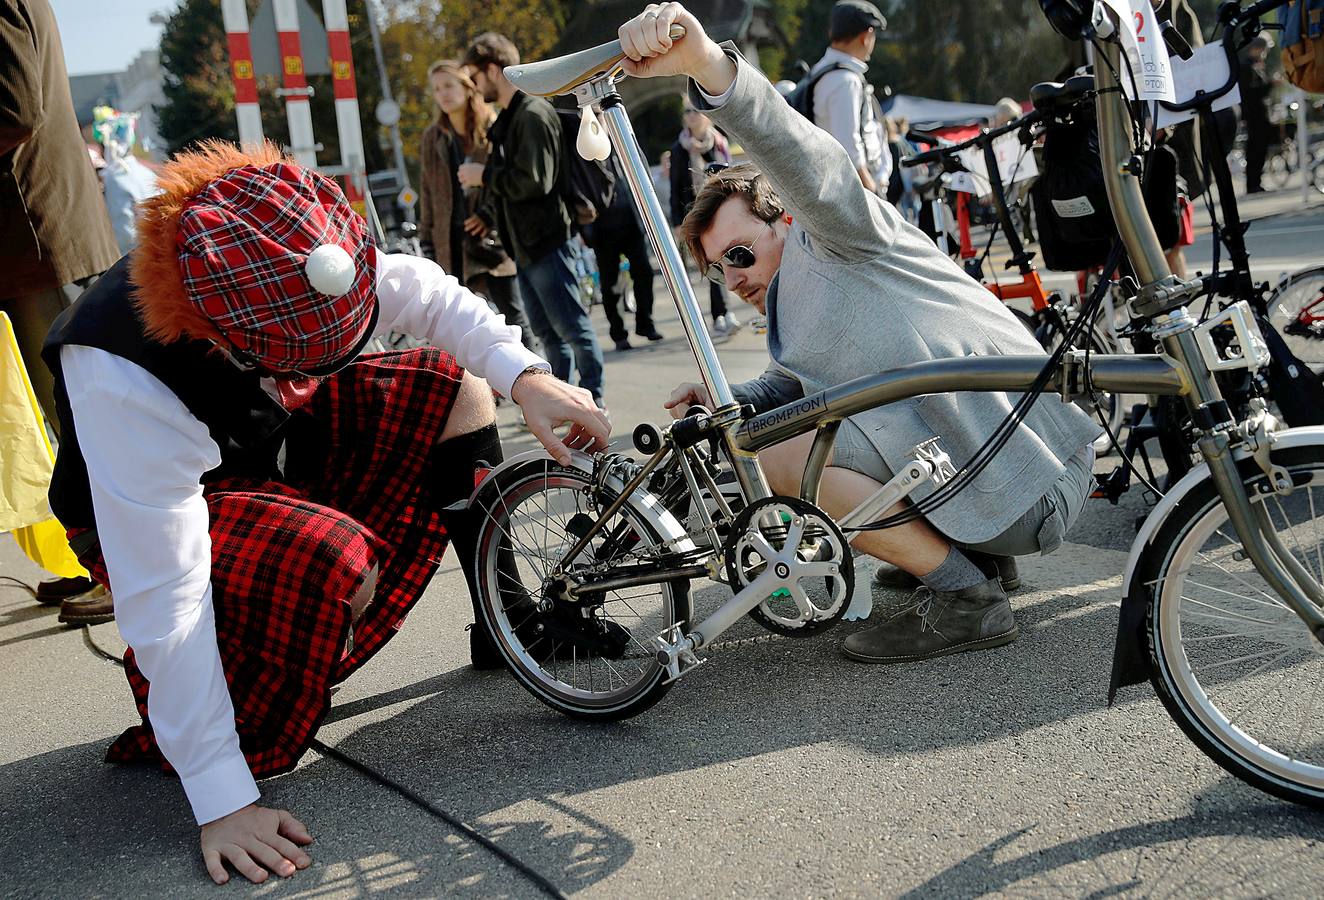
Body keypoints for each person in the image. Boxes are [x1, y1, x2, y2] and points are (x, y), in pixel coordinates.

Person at [41, 141, 610, 885]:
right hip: (160, 508)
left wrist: (526, 376)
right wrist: (220, 795)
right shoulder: (121, 370)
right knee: (332, 557)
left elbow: (432, 298)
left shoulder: (299, 231)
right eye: (299, 366)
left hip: (260, 446)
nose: (311, 379)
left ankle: (505, 624)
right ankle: (243, 711)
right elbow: (165, 600)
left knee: (456, 384)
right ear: (225, 339)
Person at [619, 3, 1100, 665]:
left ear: (785, 217)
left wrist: (709, 68)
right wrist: (719, 388)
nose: (732, 278)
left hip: (1033, 479)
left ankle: (966, 598)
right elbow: (797, 382)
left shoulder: (837, 236)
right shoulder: (796, 302)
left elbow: (802, 154)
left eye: (739, 254)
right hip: (1020, 471)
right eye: (717, 268)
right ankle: (975, 560)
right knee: (791, 423)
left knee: (780, 455)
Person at [2, 0, 122, 622]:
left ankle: (121, 568)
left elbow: (14, 109)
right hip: (36, 242)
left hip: (39, 241)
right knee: (73, 417)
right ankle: (99, 561)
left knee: (84, 416)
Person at [460, 32, 606, 406]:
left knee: (573, 330)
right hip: (525, 246)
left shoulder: (532, 114)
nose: (475, 89)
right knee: (548, 334)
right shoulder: (510, 120)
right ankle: (567, 402)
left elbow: (535, 182)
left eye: (475, 79)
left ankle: (594, 401)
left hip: (548, 241)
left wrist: (484, 176)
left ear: (492, 70)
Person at [418, 59, 533, 350]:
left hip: (489, 239)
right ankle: (484, 394)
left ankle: (539, 381)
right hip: (450, 242)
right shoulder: (433, 137)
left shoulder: (491, 126)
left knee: (514, 318)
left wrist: (488, 215)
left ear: (467, 87)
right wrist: (427, 240)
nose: (443, 94)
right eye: (436, 89)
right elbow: (428, 191)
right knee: (463, 326)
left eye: (448, 85)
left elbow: (506, 179)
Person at [669, 102, 740, 335]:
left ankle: (724, 312)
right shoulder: (679, 150)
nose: (690, 115)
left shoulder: (719, 142)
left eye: (694, 111)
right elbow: (676, 187)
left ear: (706, 116)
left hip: (722, 210)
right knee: (712, 262)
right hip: (696, 213)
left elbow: (731, 176)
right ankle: (721, 314)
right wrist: (678, 222)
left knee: (726, 260)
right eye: (686, 112)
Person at [808, 0, 892, 196]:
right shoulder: (845, 80)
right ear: (866, 35)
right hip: (854, 190)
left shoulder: (822, 71)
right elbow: (848, 145)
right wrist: (872, 192)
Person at [587, 154, 664, 351]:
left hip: (632, 222)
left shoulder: (620, 138)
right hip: (602, 227)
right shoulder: (584, 143)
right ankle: (618, 333)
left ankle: (645, 323)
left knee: (644, 273)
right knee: (611, 284)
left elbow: (642, 170)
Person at [1238, 35, 1274, 194]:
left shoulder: (1255, 65)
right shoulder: (1247, 67)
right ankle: (1253, 183)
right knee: (1255, 149)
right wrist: (1271, 84)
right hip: (1255, 115)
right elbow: (1251, 94)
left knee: (1259, 149)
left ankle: (1255, 182)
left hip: (1258, 114)